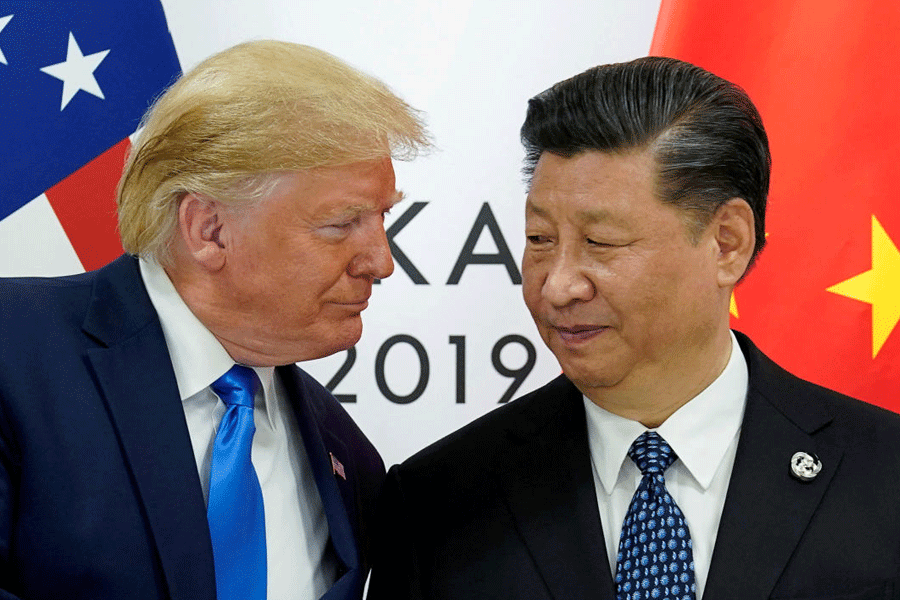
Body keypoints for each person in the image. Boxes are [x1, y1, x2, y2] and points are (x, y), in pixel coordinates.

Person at [367, 57, 900, 600]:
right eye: (539, 240)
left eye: (601, 244)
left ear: (728, 243)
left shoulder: (884, 476)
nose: (558, 287)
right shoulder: (439, 502)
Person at [0, 41, 428, 600]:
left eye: (382, 217)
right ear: (209, 230)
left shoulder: (348, 456)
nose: (382, 262)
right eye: (342, 224)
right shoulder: (14, 357)